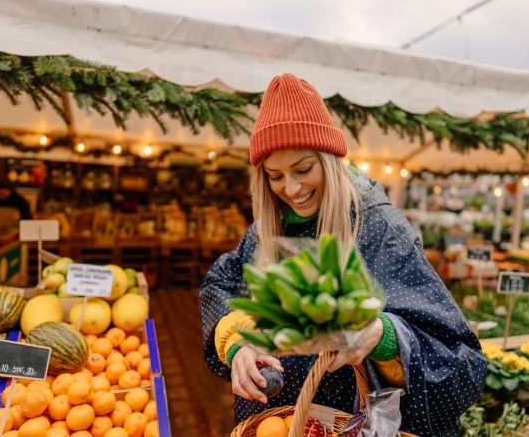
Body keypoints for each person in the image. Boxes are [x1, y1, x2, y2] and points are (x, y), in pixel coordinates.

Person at [199, 73, 486, 437]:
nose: (292, 188)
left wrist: (382, 335)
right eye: (275, 176)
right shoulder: (266, 230)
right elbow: (221, 282)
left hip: (346, 423)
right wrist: (236, 344)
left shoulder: (380, 227)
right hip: (275, 421)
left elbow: (459, 357)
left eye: (303, 169)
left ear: (329, 159)